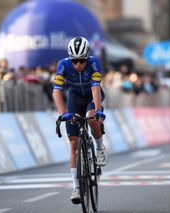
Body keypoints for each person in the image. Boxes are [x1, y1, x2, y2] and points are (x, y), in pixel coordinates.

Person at [52, 36, 107, 204]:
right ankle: (76, 187)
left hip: (91, 97)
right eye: (74, 61)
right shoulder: (63, 65)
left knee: (91, 119)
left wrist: (98, 110)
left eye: (81, 61)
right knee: (73, 143)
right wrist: (64, 113)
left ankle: (99, 147)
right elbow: (57, 91)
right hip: (74, 99)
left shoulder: (94, 63)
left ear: (87, 57)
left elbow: (95, 87)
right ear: (70, 58)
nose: (78, 65)